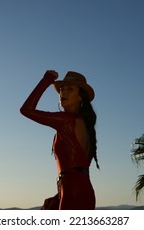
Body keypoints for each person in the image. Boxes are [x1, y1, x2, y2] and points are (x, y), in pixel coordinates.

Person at [20, 70, 99, 210]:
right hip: (78, 188)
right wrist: (58, 196)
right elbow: (76, 168)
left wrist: (46, 80)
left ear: (81, 97)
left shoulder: (66, 121)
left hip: (72, 189)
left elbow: (26, 110)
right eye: (61, 89)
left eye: (70, 89)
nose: (63, 93)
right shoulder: (84, 123)